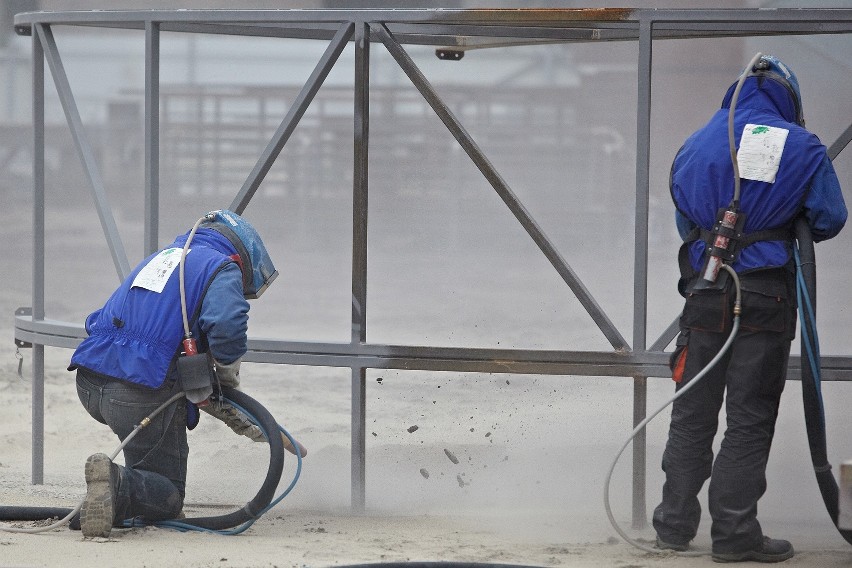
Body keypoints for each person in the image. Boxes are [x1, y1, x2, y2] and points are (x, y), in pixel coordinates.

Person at [653, 55, 846, 563]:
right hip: (765, 297)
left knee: (692, 412)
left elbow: (684, 225)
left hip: (704, 292)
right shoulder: (802, 147)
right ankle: (735, 535)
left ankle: (673, 526)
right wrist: (781, 218)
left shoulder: (694, 145)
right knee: (749, 417)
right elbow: (829, 218)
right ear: (790, 100)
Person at [68, 209, 304, 538]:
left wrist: (258, 428)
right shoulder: (222, 267)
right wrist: (226, 369)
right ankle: (117, 483)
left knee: (146, 458)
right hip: (136, 392)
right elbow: (227, 324)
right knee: (167, 495)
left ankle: (113, 494)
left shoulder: (165, 259)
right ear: (243, 259)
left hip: (90, 381)